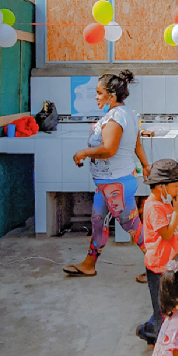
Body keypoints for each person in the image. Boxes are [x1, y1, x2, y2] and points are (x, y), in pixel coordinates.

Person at [64, 71, 150, 278]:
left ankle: (160, 266)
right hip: (108, 182)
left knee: (131, 224)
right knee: (97, 221)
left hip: (116, 183)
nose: (96, 96)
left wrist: (83, 152)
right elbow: (137, 144)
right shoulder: (126, 113)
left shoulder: (117, 117)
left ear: (111, 96)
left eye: (99, 92)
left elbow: (109, 149)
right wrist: (146, 165)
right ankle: (89, 264)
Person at [137, 160, 178, 345]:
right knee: (162, 309)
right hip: (159, 266)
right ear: (161, 186)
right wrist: (177, 211)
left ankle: (152, 330)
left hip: (171, 264)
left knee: (169, 305)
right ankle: (157, 339)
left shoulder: (165, 203)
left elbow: (172, 227)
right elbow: (166, 233)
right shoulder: (154, 207)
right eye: (175, 185)